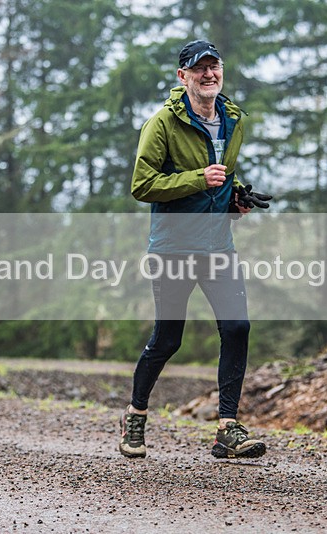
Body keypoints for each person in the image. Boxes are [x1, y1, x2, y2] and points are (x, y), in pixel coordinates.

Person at [119, 39, 270, 460]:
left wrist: (236, 196)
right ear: (182, 76)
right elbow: (142, 185)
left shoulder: (233, 119)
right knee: (168, 340)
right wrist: (197, 179)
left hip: (218, 244)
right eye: (198, 68)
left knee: (237, 328)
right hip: (173, 248)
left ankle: (227, 428)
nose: (208, 75)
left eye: (214, 67)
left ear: (222, 71)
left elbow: (224, 174)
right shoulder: (162, 124)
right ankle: (135, 414)